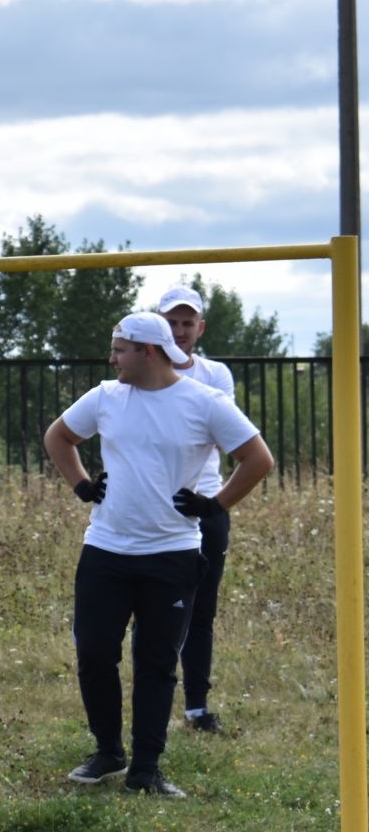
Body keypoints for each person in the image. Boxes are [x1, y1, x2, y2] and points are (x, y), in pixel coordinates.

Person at [42, 312, 272, 799]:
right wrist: (82, 485)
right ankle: (108, 751)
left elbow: (258, 459)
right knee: (94, 652)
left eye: (119, 349)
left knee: (156, 662)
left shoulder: (204, 403)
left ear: (147, 351)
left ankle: (146, 768)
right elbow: (57, 437)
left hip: (172, 554)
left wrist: (216, 504)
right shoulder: (106, 396)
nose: (111, 358)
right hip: (106, 549)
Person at [157, 284, 239, 733]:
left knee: (201, 608)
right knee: (158, 608)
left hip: (205, 503)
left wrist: (213, 502)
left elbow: (222, 433)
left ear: (200, 328)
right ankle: (154, 698)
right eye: (171, 322)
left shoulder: (215, 375)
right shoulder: (142, 368)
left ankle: (196, 707)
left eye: (187, 323)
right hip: (154, 508)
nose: (180, 330)